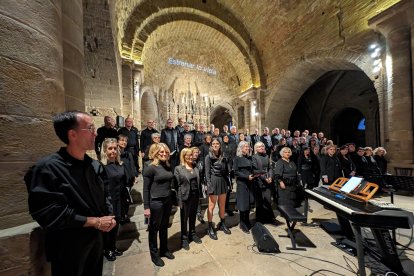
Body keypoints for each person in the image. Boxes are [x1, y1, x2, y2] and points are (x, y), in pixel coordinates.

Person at [25, 111, 115, 276]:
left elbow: (106, 194)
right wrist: (93, 221)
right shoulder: (48, 168)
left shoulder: (95, 166)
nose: (96, 133)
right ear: (72, 134)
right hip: (68, 245)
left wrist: (109, 216)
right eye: (90, 128)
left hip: (96, 240)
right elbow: (47, 211)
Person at [143, 143, 176, 267]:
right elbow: (145, 189)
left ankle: (164, 249)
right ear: (156, 153)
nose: (164, 154)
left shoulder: (167, 165)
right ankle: (154, 255)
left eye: (166, 152)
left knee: (164, 227)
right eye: (161, 152)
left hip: (167, 201)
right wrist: (146, 207)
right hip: (156, 202)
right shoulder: (150, 168)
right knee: (154, 229)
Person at [100, 138, 125, 261]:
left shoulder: (119, 164)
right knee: (109, 226)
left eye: (115, 148)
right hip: (108, 201)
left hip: (118, 199)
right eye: (110, 148)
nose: (113, 151)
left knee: (116, 225)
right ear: (104, 150)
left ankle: (113, 246)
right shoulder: (102, 166)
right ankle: (107, 249)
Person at [175, 148, 203, 250]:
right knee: (184, 218)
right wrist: (179, 200)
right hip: (185, 197)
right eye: (188, 155)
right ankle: (184, 238)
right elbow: (177, 186)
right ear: (183, 156)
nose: (191, 157)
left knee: (192, 216)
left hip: (195, 195)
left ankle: (192, 233)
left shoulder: (195, 167)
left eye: (192, 155)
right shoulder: (178, 169)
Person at [205, 138, 231, 239]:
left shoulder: (223, 155)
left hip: (223, 181)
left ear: (220, 145)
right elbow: (207, 173)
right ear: (211, 145)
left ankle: (222, 223)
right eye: (213, 144)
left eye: (217, 144)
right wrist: (209, 185)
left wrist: (227, 161)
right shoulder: (208, 157)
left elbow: (227, 170)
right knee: (211, 206)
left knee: (222, 205)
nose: (215, 145)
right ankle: (210, 227)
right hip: (213, 181)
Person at [233, 141, 255, 233]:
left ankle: (247, 220)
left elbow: (252, 169)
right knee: (243, 203)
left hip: (250, 182)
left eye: (248, 146)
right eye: (245, 146)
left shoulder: (250, 158)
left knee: (249, 202)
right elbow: (236, 172)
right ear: (241, 148)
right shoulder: (237, 158)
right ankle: (242, 223)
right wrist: (246, 177)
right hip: (242, 183)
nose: (247, 148)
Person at [252, 142, 275, 223]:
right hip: (258, 181)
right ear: (256, 149)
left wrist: (270, 177)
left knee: (268, 200)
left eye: (262, 146)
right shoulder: (254, 157)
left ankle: (269, 218)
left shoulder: (266, 156)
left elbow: (270, 168)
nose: (261, 147)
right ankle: (259, 219)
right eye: (259, 146)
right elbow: (255, 170)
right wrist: (265, 178)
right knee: (259, 201)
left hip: (268, 180)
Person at [118, 134, 136, 224]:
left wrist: (133, 176)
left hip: (128, 179)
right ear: (117, 141)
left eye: (125, 141)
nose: (124, 142)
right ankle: (120, 215)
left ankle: (125, 215)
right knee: (120, 198)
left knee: (127, 198)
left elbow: (132, 165)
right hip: (119, 180)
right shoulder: (115, 153)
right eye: (122, 140)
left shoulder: (128, 153)